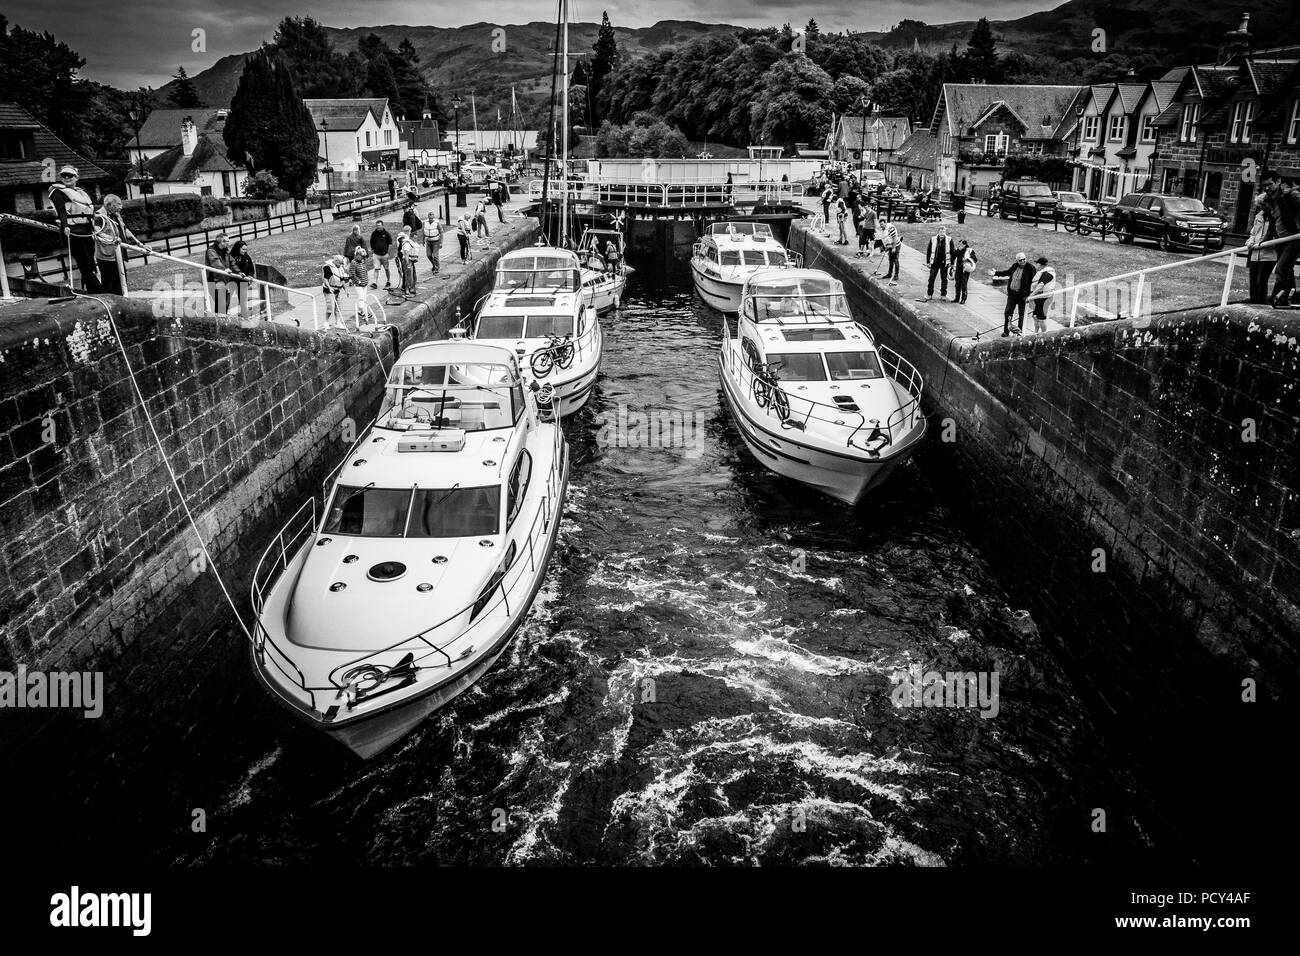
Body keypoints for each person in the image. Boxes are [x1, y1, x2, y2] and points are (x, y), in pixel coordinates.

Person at [48, 165, 100, 292]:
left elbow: (90, 211)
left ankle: (92, 289)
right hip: (73, 232)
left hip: (87, 231)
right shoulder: (58, 192)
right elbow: (61, 211)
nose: (66, 178)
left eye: (70, 175)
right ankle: (99, 291)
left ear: (76, 178)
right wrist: (65, 226)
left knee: (91, 262)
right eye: (63, 175)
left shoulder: (80, 192)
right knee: (84, 264)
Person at [91, 194, 145, 297]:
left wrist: (140, 244)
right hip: (106, 257)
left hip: (118, 255)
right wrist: (112, 239)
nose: (121, 207)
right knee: (109, 287)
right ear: (108, 204)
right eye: (118, 204)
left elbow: (125, 230)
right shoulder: (99, 216)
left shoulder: (116, 215)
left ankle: (121, 305)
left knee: (121, 283)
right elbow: (96, 233)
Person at [1261, 172, 1300, 309]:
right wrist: (1265, 239)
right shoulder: (1267, 200)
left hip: (1293, 238)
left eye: (1269, 184)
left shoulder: (1289, 195)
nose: (1266, 188)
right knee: (1287, 270)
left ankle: (1277, 297)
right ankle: (1291, 298)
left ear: (1278, 182)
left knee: (1281, 269)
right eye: (1264, 186)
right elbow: (1272, 223)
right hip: (1280, 240)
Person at [990, 252, 1036, 336]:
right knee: (1008, 312)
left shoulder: (1031, 268)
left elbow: (1034, 282)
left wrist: (1030, 295)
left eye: (1024, 259)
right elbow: (1007, 272)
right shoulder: (1015, 266)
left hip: (1022, 296)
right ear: (1017, 260)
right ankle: (1006, 331)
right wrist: (996, 273)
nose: (1022, 261)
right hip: (1012, 294)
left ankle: (1019, 332)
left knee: (1021, 314)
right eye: (1020, 260)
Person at [1245, 199, 1276, 305]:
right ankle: (1253, 303)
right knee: (1253, 282)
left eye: (1263, 205)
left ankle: (1260, 304)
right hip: (1254, 254)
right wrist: (1250, 241)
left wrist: (1268, 243)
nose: (1261, 208)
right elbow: (1253, 233)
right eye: (1259, 206)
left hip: (1268, 255)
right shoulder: (1259, 216)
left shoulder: (1275, 217)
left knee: (1261, 281)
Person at [205, 234, 243, 316]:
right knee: (221, 304)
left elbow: (232, 263)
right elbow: (215, 262)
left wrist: (239, 272)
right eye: (227, 241)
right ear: (221, 242)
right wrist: (224, 269)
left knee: (225, 304)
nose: (229, 243)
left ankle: (222, 322)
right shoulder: (211, 251)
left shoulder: (225, 251)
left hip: (225, 280)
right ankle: (219, 323)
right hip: (215, 281)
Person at [228, 239, 256, 317]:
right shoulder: (230, 257)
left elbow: (251, 269)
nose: (244, 251)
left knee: (243, 301)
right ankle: (223, 316)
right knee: (226, 300)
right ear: (238, 248)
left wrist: (250, 275)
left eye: (246, 250)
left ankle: (244, 316)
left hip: (242, 282)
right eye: (243, 249)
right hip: (232, 281)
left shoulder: (247, 258)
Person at [924, 224, 953, 300]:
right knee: (931, 279)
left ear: (945, 232)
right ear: (938, 232)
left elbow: (952, 251)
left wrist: (952, 263)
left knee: (944, 279)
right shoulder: (933, 239)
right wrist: (928, 262)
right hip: (935, 262)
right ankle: (929, 294)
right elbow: (929, 250)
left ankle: (943, 295)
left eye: (943, 231)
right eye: (941, 231)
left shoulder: (949, 239)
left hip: (944, 263)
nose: (942, 233)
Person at [1028, 256, 1056, 333]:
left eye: (1037, 263)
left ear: (1040, 265)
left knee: (1041, 319)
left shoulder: (1047, 273)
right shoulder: (1042, 272)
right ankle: (1035, 333)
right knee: (1035, 317)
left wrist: (1031, 296)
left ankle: (1044, 335)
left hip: (1045, 298)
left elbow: (1041, 284)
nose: (1035, 264)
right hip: (1039, 297)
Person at [322, 254, 348, 327]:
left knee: (338, 308)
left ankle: (338, 322)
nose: (341, 265)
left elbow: (342, 279)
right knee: (330, 308)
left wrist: (346, 290)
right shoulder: (327, 267)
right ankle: (326, 322)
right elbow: (325, 279)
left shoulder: (340, 267)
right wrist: (329, 287)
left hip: (338, 290)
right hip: (329, 290)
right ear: (336, 261)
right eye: (340, 263)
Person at [952, 238, 978, 305]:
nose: (960, 245)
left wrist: (967, 260)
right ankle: (956, 298)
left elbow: (975, 259)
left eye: (961, 244)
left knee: (964, 284)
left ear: (965, 244)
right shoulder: (958, 250)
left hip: (965, 270)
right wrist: (958, 250)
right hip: (958, 269)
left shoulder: (969, 250)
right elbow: (953, 256)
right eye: (959, 244)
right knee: (957, 284)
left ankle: (963, 299)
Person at [369, 220, 393, 288]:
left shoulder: (386, 234)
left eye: (379, 225)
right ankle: (375, 283)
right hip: (376, 254)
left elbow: (390, 244)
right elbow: (371, 242)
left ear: (382, 225)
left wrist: (388, 253)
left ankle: (388, 281)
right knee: (376, 268)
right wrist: (373, 250)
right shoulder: (374, 234)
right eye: (377, 226)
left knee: (386, 268)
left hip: (384, 254)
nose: (378, 227)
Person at [396, 226, 418, 295]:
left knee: (413, 274)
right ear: (408, 231)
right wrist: (407, 262)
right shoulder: (404, 240)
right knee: (407, 274)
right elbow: (406, 253)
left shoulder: (407, 239)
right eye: (410, 231)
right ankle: (406, 288)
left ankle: (411, 287)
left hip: (411, 259)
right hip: (407, 259)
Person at [880, 219, 901, 285]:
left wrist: (894, 248)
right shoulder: (883, 229)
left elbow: (894, 238)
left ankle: (896, 275)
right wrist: (887, 247)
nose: (881, 226)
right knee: (890, 260)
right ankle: (889, 273)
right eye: (880, 225)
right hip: (890, 245)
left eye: (882, 224)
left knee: (896, 260)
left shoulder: (890, 228)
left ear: (885, 223)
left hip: (896, 245)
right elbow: (886, 238)